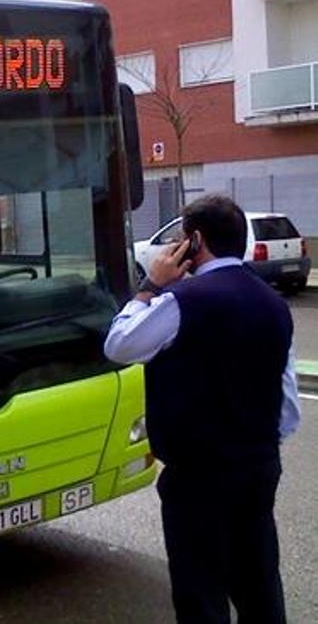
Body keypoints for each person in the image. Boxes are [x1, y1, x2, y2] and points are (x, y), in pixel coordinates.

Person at [104, 195, 300, 624]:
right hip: (258, 467)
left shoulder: (182, 300)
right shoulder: (274, 305)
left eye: (179, 237)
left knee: (201, 593)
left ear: (194, 241)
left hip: (199, 478)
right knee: (259, 583)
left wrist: (149, 286)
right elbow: (288, 407)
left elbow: (119, 346)